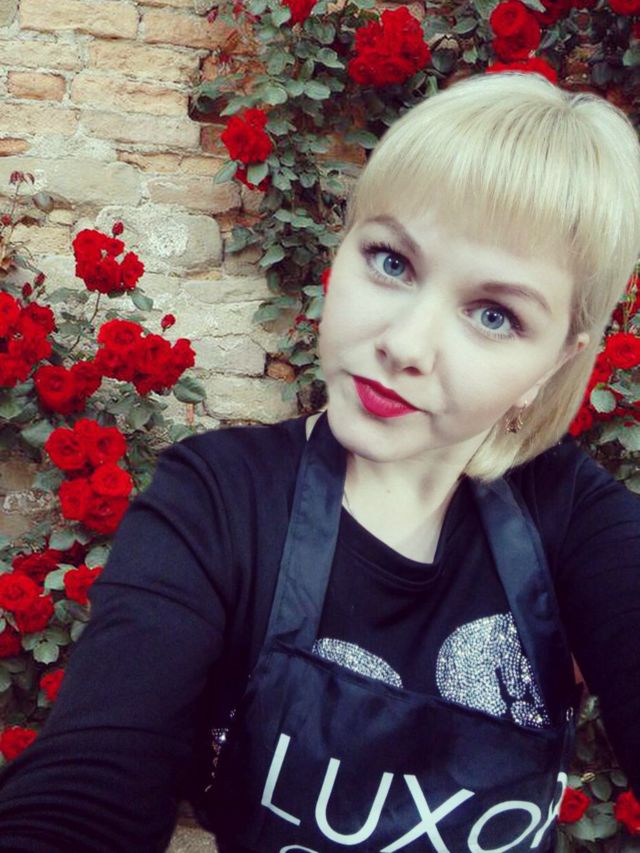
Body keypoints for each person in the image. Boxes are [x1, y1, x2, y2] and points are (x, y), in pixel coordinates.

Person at [0, 71, 639, 853]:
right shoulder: (219, 502)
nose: (405, 344)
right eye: (392, 262)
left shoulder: (574, 520)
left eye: (494, 314)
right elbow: (85, 791)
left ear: (556, 362)